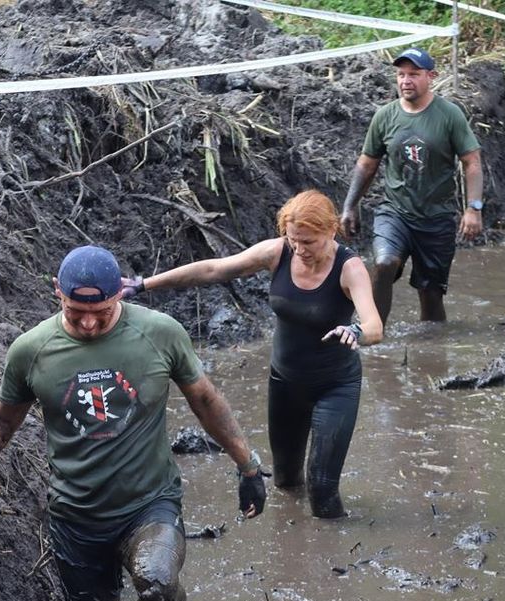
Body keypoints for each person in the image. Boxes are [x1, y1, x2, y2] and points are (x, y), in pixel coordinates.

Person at [0, 245, 267, 601]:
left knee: (156, 582)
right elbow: (0, 423)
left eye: (101, 311)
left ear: (120, 295)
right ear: (57, 294)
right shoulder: (31, 350)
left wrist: (248, 465)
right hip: (77, 519)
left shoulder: (159, 333)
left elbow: (207, 401)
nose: (89, 324)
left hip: (149, 504)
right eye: (76, 312)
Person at [123, 190, 382, 519]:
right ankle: (294, 550)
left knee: (322, 491)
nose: (300, 250)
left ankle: (332, 560)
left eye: (309, 242)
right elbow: (214, 269)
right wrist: (144, 284)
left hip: (336, 387)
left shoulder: (350, 268)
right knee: (286, 484)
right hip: (285, 384)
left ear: (331, 230)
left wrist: (356, 330)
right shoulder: (277, 253)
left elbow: (375, 325)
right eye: (294, 240)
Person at [340, 47, 483, 324]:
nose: (406, 80)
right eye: (401, 74)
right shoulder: (385, 116)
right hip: (395, 211)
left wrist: (473, 208)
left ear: (431, 76)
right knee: (383, 263)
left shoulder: (449, 115)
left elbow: (472, 162)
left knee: (430, 295)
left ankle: (432, 350)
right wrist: (349, 205)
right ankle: (373, 331)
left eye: (414, 74)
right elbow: (367, 163)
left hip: (436, 218)